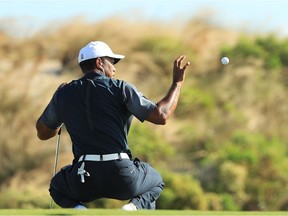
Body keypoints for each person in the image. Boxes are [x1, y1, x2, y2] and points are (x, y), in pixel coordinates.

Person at [36, 41, 190, 210]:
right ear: (99, 62)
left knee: (57, 187)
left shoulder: (64, 93)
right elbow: (161, 116)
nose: (115, 68)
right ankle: (131, 210)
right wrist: (177, 83)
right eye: (112, 62)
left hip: (84, 177)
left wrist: (60, 101)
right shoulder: (121, 88)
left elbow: (43, 133)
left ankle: (80, 211)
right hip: (121, 175)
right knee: (156, 181)